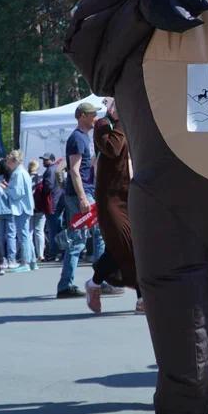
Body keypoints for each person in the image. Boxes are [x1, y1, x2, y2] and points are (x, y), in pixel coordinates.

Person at [84, 99, 137, 312]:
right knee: (125, 245)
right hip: (109, 198)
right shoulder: (102, 125)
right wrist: (122, 123)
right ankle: (95, 283)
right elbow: (113, 149)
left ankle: (95, 283)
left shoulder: (128, 125)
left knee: (132, 246)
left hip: (129, 195)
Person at [56, 102, 101, 299]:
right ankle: (67, 285)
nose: (95, 117)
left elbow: (82, 167)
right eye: (92, 114)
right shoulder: (77, 138)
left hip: (83, 193)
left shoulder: (82, 138)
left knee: (94, 236)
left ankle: (99, 279)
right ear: (82, 116)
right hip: (79, 195)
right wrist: (83, 198)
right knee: (79, 239)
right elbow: (74, 171)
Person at [3, 150, 37, 273]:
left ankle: (25, 262)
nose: (7, 164)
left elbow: (17, 193)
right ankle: (32, 261)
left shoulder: (17, 173)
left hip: (20, 208)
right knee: (26, 235)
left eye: (8, 161)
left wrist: (6, 188)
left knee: (23, 236)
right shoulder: (24, 172)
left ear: (14, 161)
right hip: (26, 207)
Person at [27, 160, 48, 263]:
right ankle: (41, 254)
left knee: (29, 232)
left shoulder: (26, 177)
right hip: (40, 207)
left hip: (29, 207)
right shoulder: (41, 177)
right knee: (39, 231)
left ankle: (31, 254)